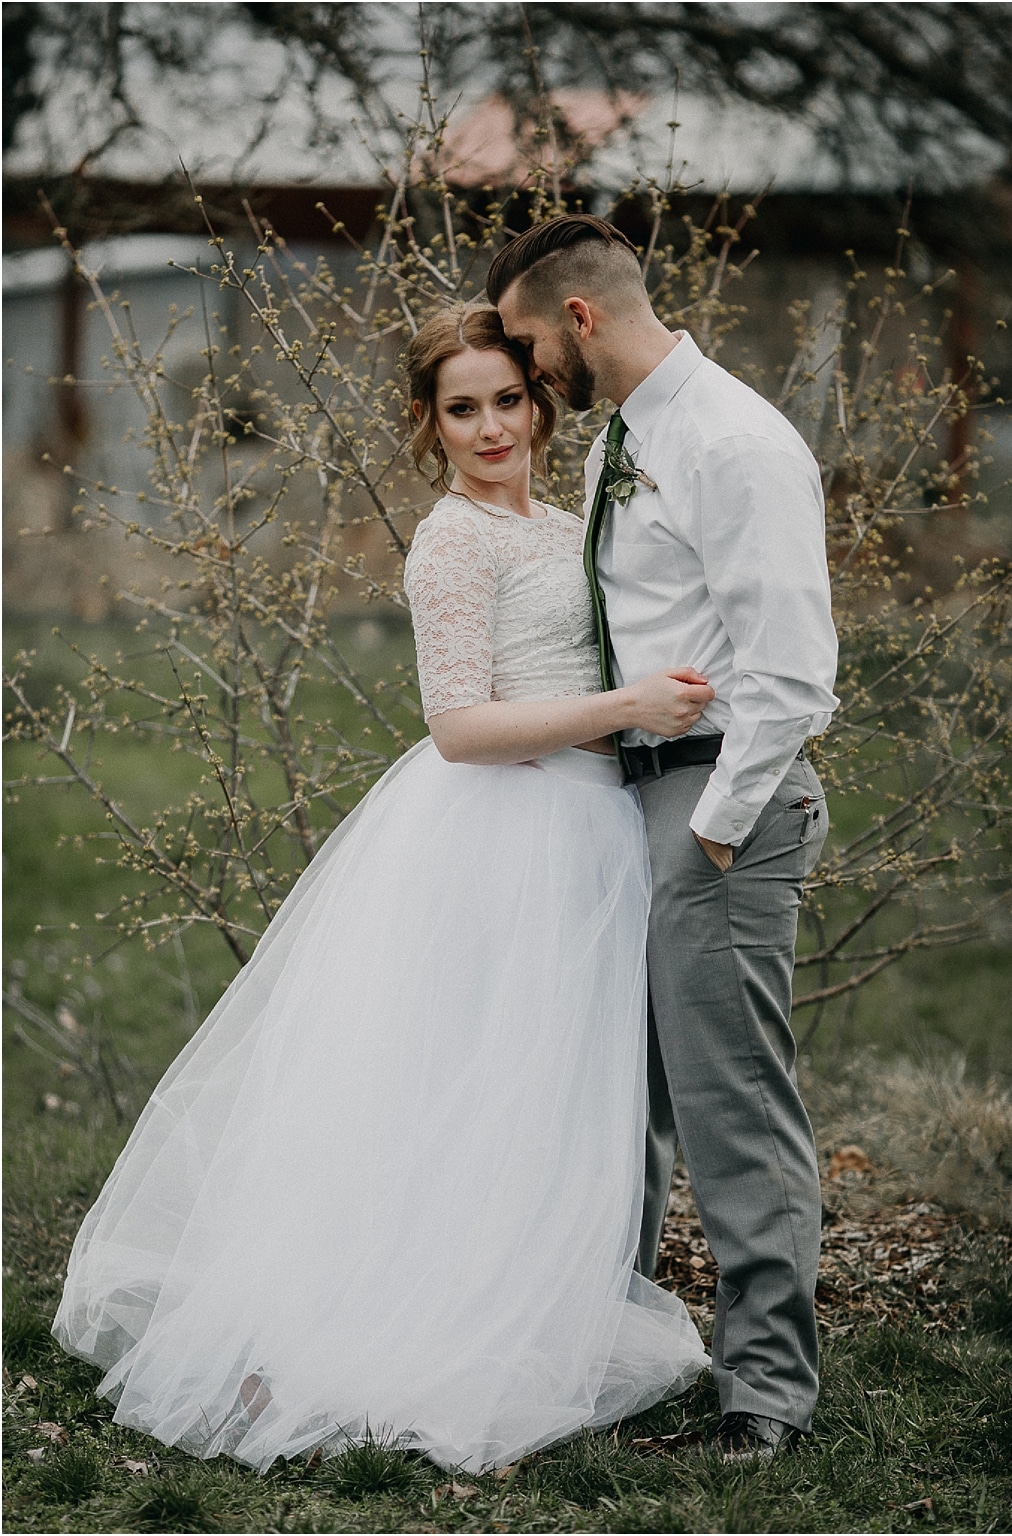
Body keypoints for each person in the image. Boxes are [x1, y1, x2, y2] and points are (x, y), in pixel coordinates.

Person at [54, 302, 720, 1472]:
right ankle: (388, 1326)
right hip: (498, 833)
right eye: (461, 409)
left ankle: (517, 1301)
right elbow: (460, 725)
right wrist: (626, 711)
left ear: (539, 400)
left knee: (541, 1088)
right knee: (459, 1083)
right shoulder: (453, 542)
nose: (490, 427)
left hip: (589, 832)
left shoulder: (573, 523)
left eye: (507, 400)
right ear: (429, 422)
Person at [490, 216, 839, 1464]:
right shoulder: (623, 443)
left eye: (529, 346)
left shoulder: (735, 442)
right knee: (613, 1102)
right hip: (623, 800)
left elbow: (794, 676)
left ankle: (764, 1402)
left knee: (728, 1108)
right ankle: (612, 1353)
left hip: (716, 806)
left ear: (577, 319)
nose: (528, 376)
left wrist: (719, 831)